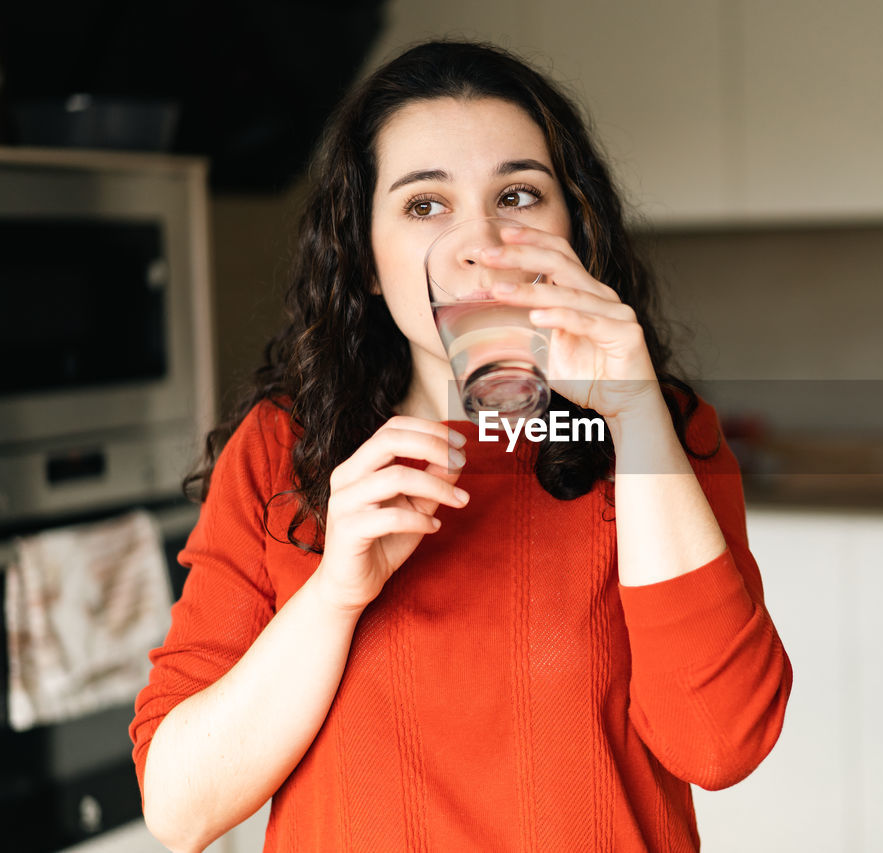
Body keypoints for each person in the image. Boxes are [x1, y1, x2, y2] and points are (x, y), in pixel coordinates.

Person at [131, 40, 792, 852]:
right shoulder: (283, 451)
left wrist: (635, 411)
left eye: (518, 195)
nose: (481, 240)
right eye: (425, 205)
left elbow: (721, 743)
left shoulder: (659, 434)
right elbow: (179, 808)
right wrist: (336, 593)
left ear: (573, 234)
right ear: (365, 261)